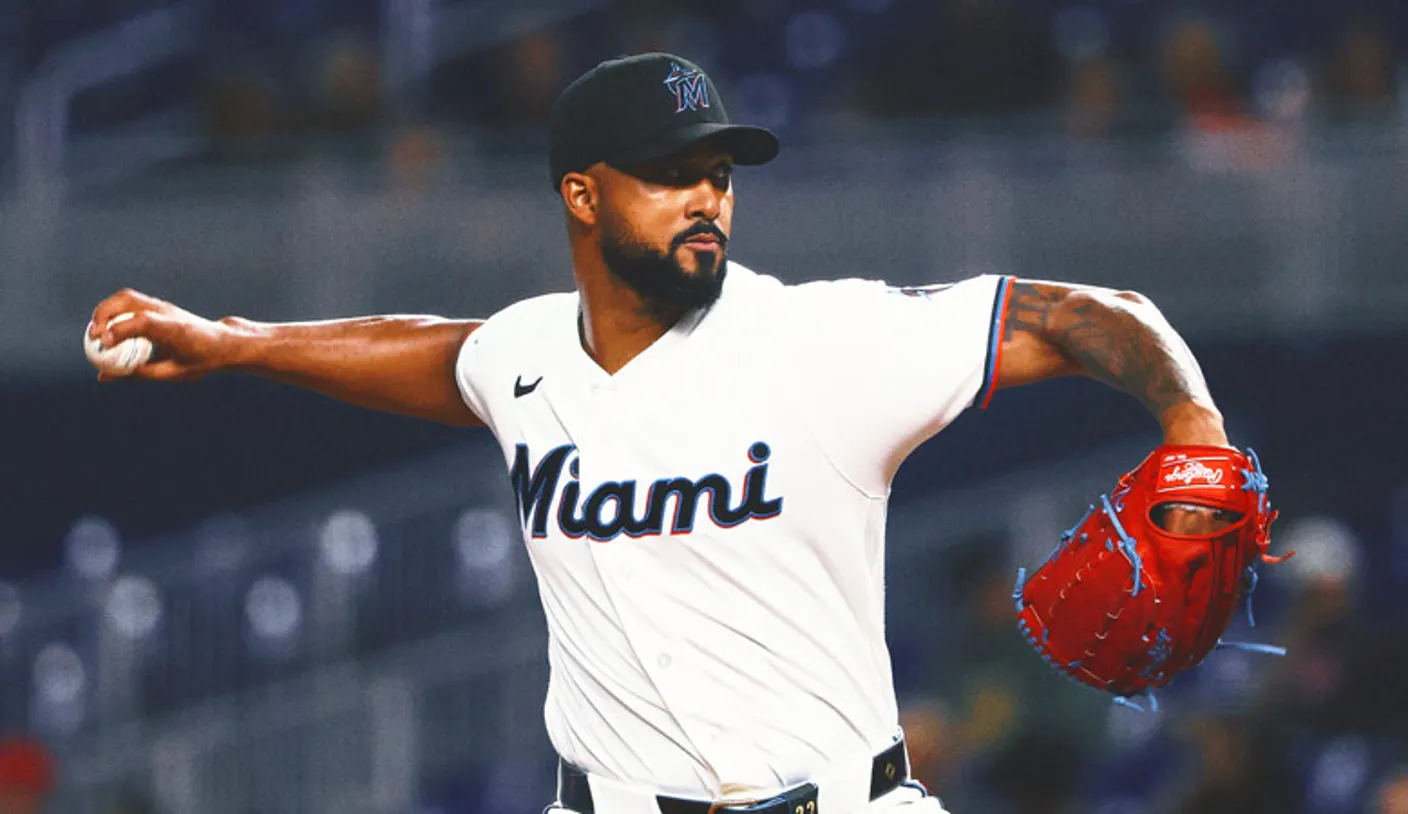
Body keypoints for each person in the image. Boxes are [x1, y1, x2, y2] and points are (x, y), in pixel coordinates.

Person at [87, 53, 1235, 814]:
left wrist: (1190, 421)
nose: (707, 198)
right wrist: (238, 341)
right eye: (669, 175)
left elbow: (1088, 315)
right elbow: (438, 354)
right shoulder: (527, 355)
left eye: (718, 174)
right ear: (582, 195)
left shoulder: (828, 340)